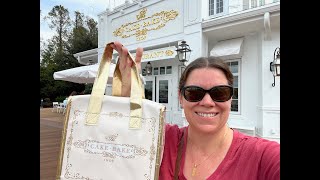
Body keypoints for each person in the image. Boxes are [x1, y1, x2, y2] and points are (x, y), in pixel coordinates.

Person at [111, 41, 280, 180]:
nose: (207, 102)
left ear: (230, 97)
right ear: (180, 97)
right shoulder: (162, 139)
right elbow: (119, 133)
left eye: (219, 93)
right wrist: (126, 98)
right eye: (194, 93)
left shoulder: (263, 157)